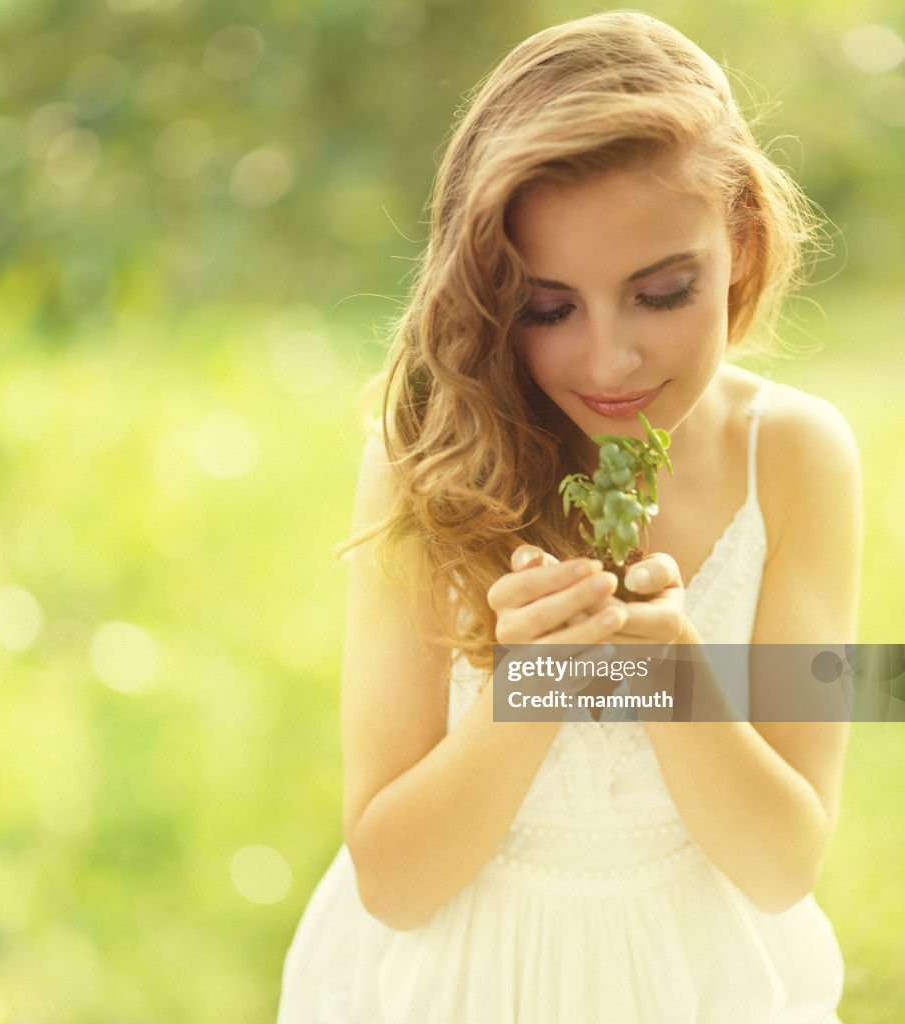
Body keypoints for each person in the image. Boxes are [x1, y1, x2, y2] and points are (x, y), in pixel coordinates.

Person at [278, 11, 861, 1023]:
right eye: (549, 308)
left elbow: (784, 864)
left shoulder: (800, 458)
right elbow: (392, 879)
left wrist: (670, 670)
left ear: (741, 241)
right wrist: (537, 685)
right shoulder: (421, 459)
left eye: (662, 292)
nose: (609, 361)